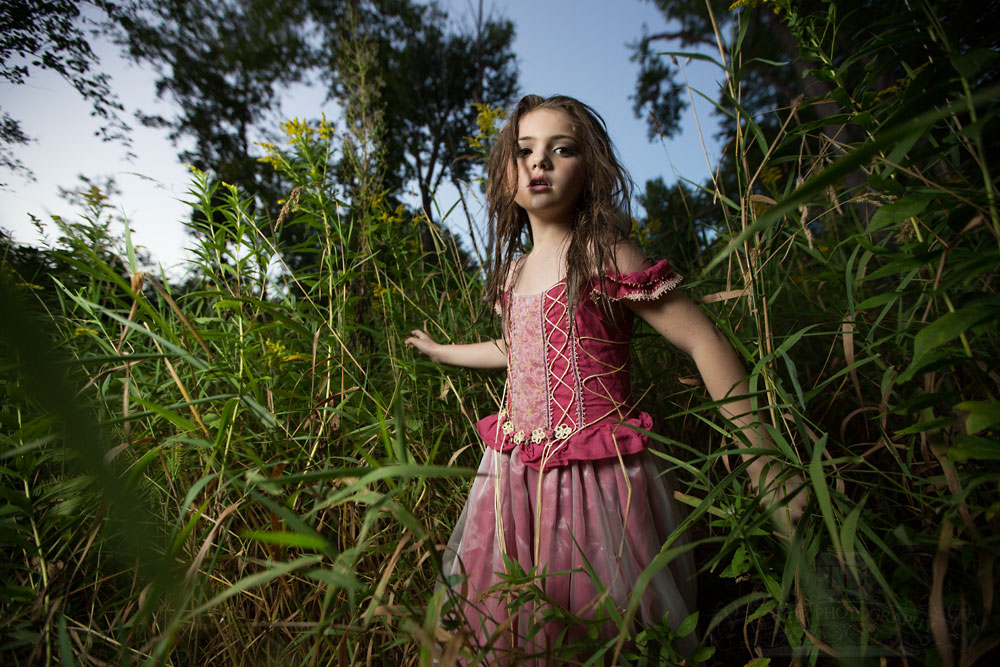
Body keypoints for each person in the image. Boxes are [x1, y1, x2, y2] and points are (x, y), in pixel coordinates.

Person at [405, 94, 804, 664]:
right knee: (508, 617)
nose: (539, 162)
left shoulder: (603, 253)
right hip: (513, 475)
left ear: (589, 169)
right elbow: (521, 348)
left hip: (595, 479)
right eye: (524, 151)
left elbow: (702, 339)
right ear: (505, 172)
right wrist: (443, 351)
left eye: (560, 149)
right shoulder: (515, 270)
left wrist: (761, 455)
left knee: (601, 625)